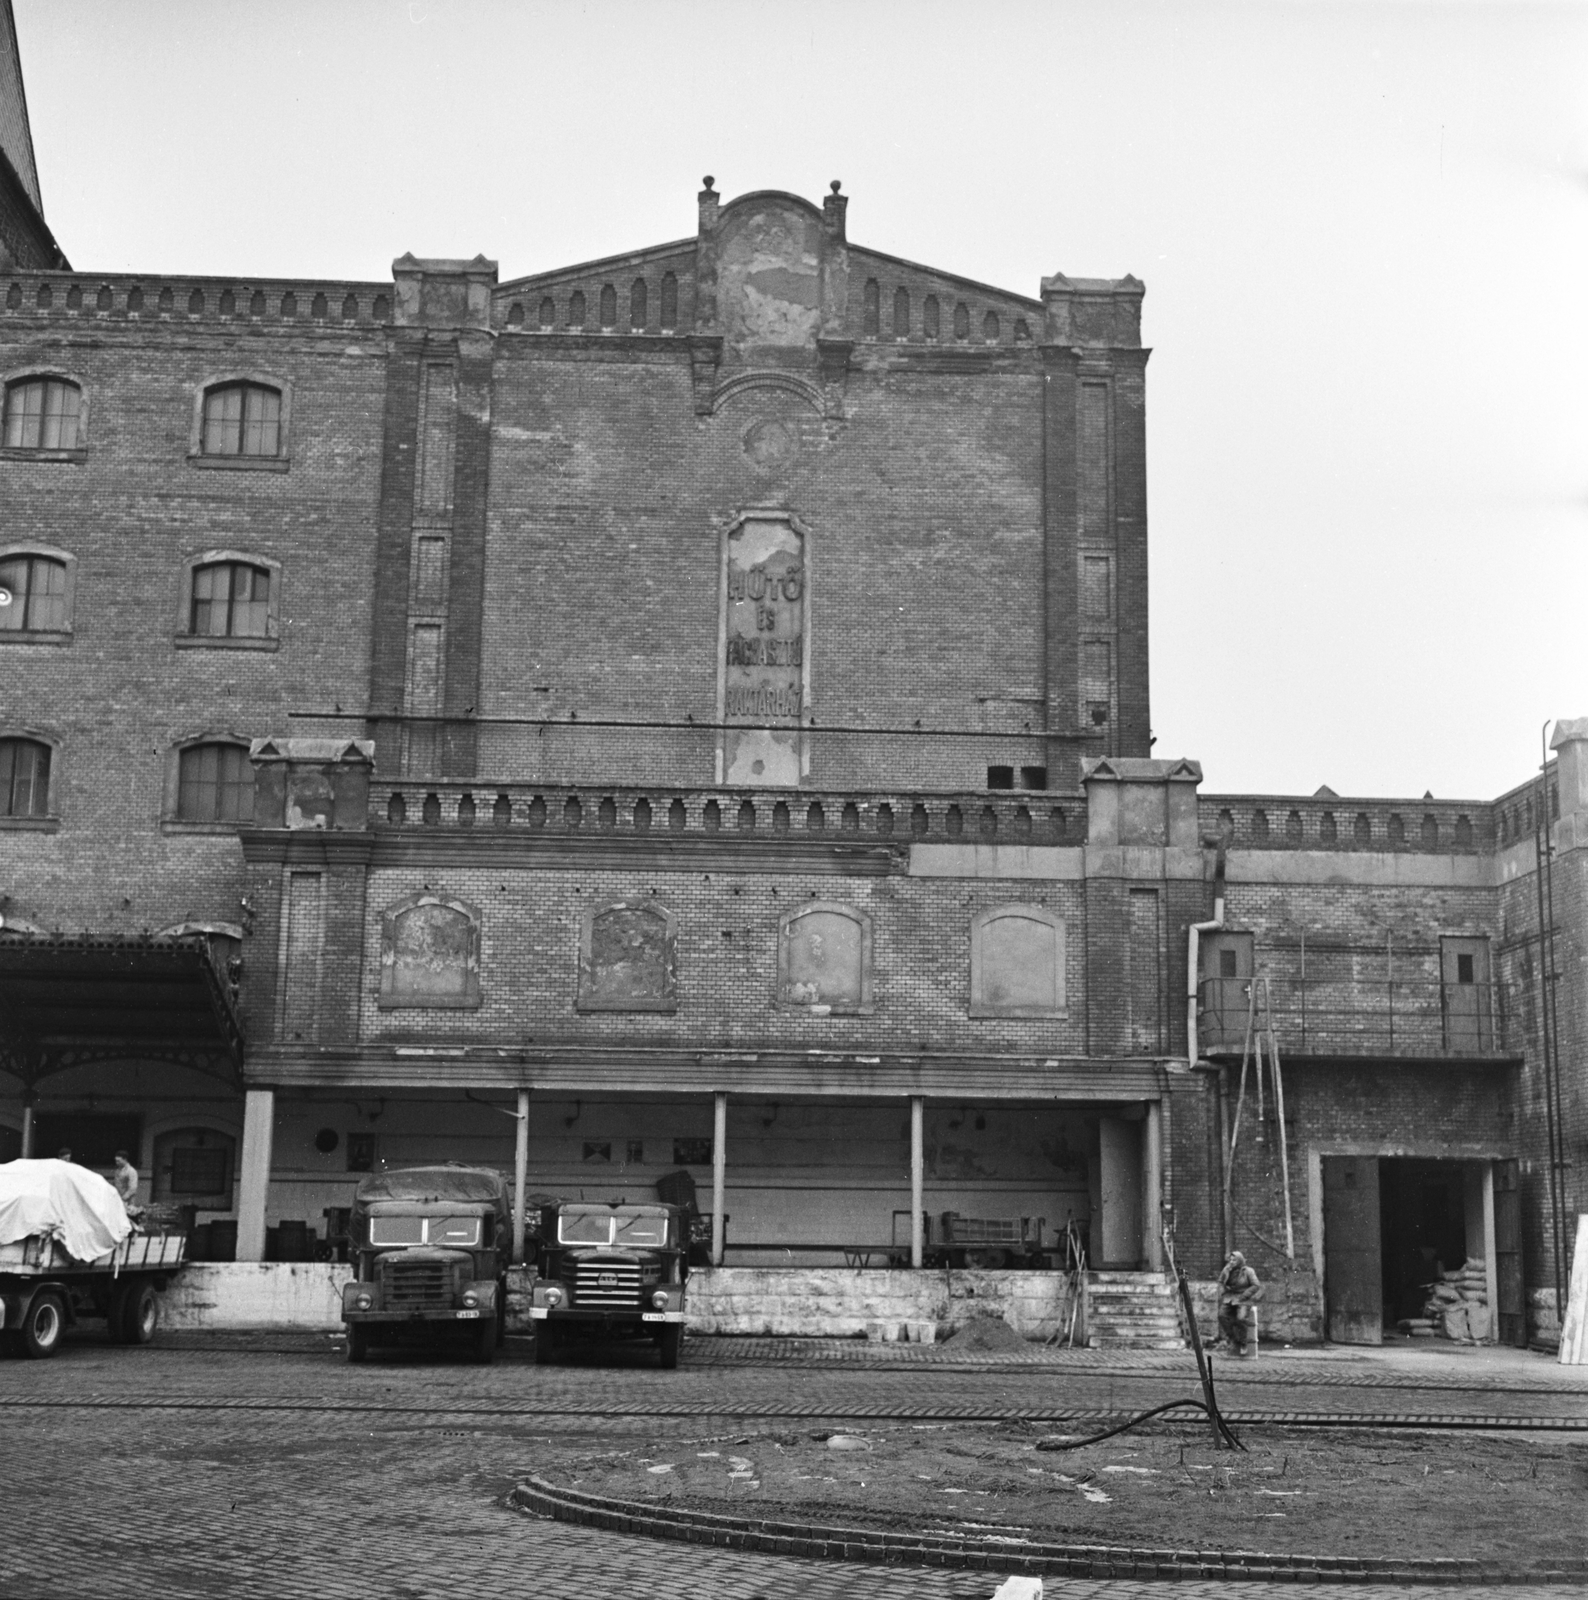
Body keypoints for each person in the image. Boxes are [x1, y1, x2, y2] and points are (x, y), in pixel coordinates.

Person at [1217, 1249, 1263, 1357]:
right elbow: (1220, 1282)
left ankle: (1243, 1342)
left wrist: (1244, 1296)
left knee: (1241, 1318)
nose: (1231, 1262)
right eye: (1230, 1260)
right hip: (1230, 1297)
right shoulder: (1227, 1269)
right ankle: (1232, 1338)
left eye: (1234, 1260)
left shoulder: (1248, 1271)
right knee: (1221, 1315)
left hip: (1243, 1298)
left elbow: (1256, 1285)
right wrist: (1222, 1292)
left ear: (1240, 1261)